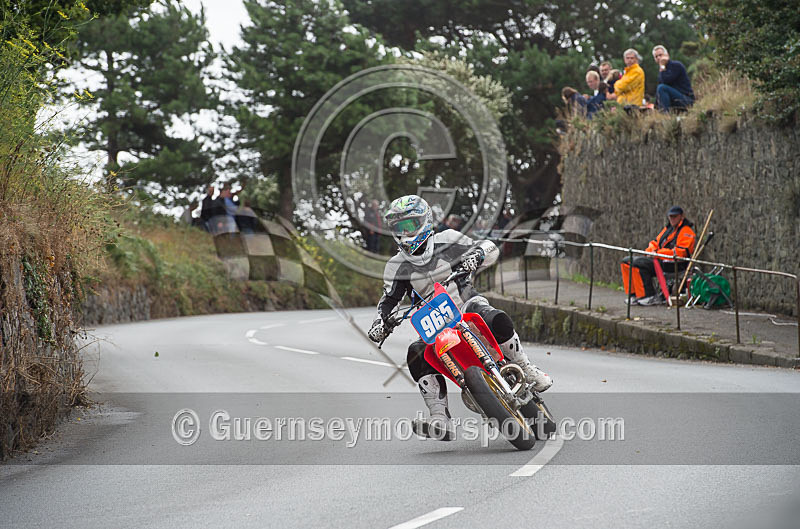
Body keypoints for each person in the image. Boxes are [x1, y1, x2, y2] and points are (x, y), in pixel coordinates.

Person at [367, 195, 552, 439]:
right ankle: (439, 417)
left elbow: (487, 247)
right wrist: (381, 322)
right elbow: (389, 299)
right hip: (434, 326)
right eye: (398, 228)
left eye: (409, 225)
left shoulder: (449, 239)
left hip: (467, 304)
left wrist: (476, 255)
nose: (404, 233)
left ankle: (526, 368)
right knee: (415, 352)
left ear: (424, 221)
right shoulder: (395, 266)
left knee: (494, 317)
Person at [620, 206, 697, 305]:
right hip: (659, 259)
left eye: (675, 216)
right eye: (670, 217)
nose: (672, 219)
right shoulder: (668, 229)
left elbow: (681, 252)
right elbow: (655, 242)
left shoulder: (686, 231)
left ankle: (648, 295)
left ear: (681, 217)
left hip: (674, 264)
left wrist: (658, 254)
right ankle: (634, 294)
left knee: (637, 263)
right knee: (626, 261)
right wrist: (650, 251)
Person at [652, 45, 694, 113]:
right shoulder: (662, 70)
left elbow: (666, 81)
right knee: (660, 88)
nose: (659, 58)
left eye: (660, 55)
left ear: (667, 55)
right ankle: (663, 113)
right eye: (656, 56)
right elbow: (660, 93)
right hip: (674, 101)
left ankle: (665, 115)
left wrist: (662, 66)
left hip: (686, 100)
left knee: (661, 88)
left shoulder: (676, 65)